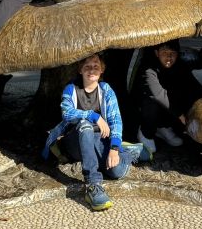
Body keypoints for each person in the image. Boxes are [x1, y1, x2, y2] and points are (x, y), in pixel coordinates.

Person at [42, 54, 142, 211]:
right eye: (87, 66)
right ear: (80, 70)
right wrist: (93, 116)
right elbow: (67, 113)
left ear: (102, 70)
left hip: (100, 139)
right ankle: (93, 185)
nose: (92, 69)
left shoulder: (106, 90)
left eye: (96, 66)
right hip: (76, 141)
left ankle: (129, 152)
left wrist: (114, 149)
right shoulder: (71, 89)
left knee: (116, 171)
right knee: (85, 126)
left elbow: (115, 121)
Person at [136, 40, 202, 153]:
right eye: (164, 52)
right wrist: (180, 114)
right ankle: (146, 132)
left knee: (185, 91)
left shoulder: (180, 66)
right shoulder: (148, 68)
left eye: (172, 53)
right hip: (146, 107)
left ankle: (163, 127)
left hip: (168, 108)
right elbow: (158, 95)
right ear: (156, 53)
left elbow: (194, 87)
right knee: (151, 101)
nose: (169, 57)